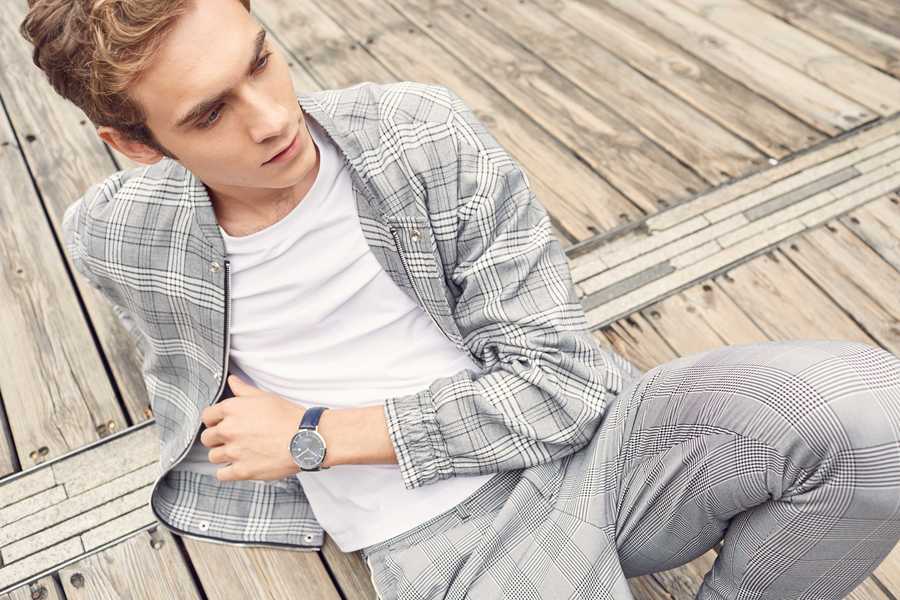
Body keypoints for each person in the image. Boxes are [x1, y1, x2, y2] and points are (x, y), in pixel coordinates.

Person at [20, 0, 900, 598]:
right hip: (442, 542)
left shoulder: (419, 133)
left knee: (879, 425)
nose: (272, 118)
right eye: (210, 114)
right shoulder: (114, 232)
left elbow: (563, 386)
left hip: (602, 445)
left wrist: (312, 436)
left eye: (261, 60)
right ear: (135, 144)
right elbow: (165, 339)